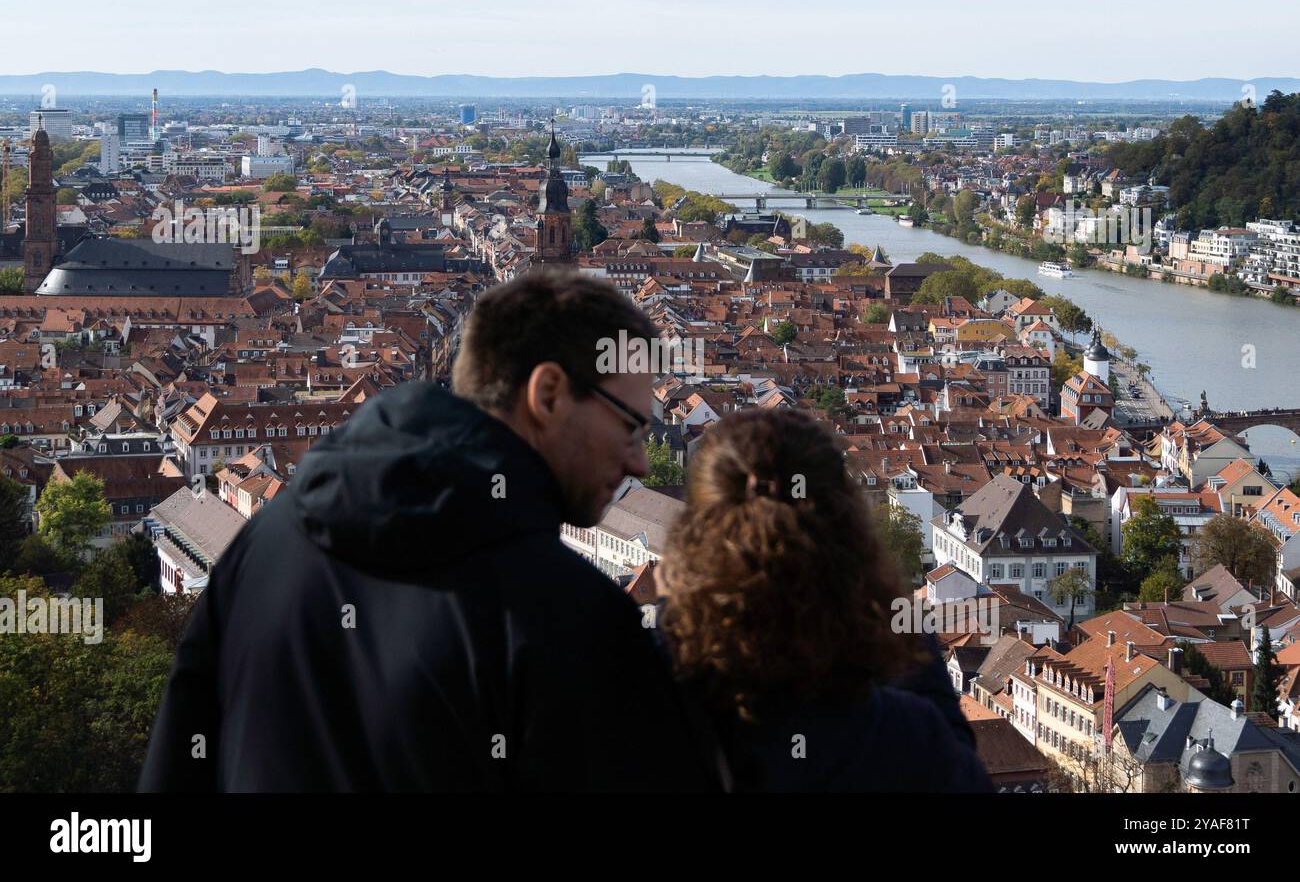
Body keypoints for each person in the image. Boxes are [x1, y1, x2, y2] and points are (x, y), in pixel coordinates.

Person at [140, 271, 718, 791]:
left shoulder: (264, 548)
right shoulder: (569, 616)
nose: (641, 462)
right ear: (547, 395)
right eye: (631, 425)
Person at [656, 408, 993, 792]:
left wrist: (675, 612)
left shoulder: (632, 686)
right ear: (851, 533)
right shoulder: (899, 737)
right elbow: (954, 764)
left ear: (693, 536)